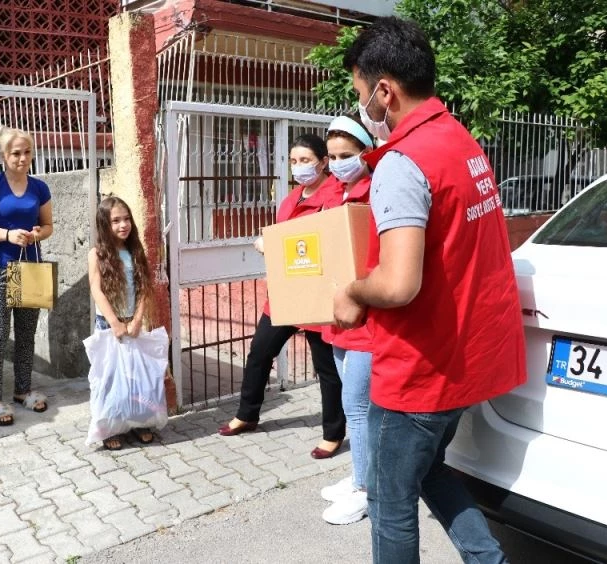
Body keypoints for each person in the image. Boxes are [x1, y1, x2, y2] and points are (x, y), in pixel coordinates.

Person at [334, 17, 526, 563]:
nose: (361, 106)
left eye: (359, 93)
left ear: (384, 91)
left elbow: (398, 283)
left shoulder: (403, 162)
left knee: (390, 503)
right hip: (466, 361)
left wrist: (352, 291)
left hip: (419, 371)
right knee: (429, 469)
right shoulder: (460, 141)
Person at [218, 134, 346, 460]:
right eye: (293, 161)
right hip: (287, 293)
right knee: (260, 352)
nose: (298, 167)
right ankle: (247, 414)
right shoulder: (291, 199)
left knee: (326, 368)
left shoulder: (336, 196)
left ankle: (333, 433)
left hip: (319, 295)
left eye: (305, 160)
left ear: (323, 162)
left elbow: (329, 240)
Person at [0, 125, 53, 426]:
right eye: (16, 153)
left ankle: (22, 391)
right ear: (4, 156)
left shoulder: (39, 188)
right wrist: (8, 234)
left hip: (30, 267)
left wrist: (37, 233)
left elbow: (48, 226)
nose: (22, 158)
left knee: (26, 334)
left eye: (27, 152)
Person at [317, 115, 376, 525]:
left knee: (358, 406)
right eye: (333, 156)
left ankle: (366, 489)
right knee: (348, 401)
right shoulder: (334, 193)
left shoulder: (375, 192)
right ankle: (360, 473)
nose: (338, 163)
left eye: (346, 155)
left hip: (366, 318)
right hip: (338, 317)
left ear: (364, 153)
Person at [88, 195, 156, 450]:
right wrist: (114, 322)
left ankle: (138, 422)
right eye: (116, 220)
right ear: (105, 224)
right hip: (109, 326)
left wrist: (137, 319)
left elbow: (144, 287)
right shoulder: (96, 254)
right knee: (109, 380)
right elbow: (96, 290)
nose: (123, 225)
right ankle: (109, 428)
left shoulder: (135, 251)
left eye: (126, 219)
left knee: (136, 378)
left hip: (132, 323)